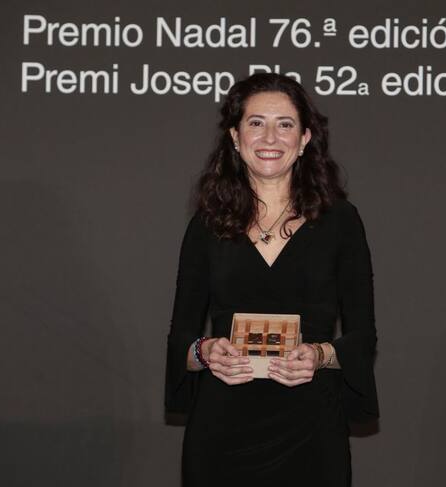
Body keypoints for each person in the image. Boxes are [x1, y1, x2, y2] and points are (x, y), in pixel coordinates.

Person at [165, 73, 379, 486]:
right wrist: (206, 352)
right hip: (221, 433)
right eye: (256, 123)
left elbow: (363, 338)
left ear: (304, 139)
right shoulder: (207, 225)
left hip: (311, 429)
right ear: (235, 136)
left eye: (285, 124)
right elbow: (181, 343)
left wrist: (319, 355)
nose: (270, 138)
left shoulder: (340, 221)